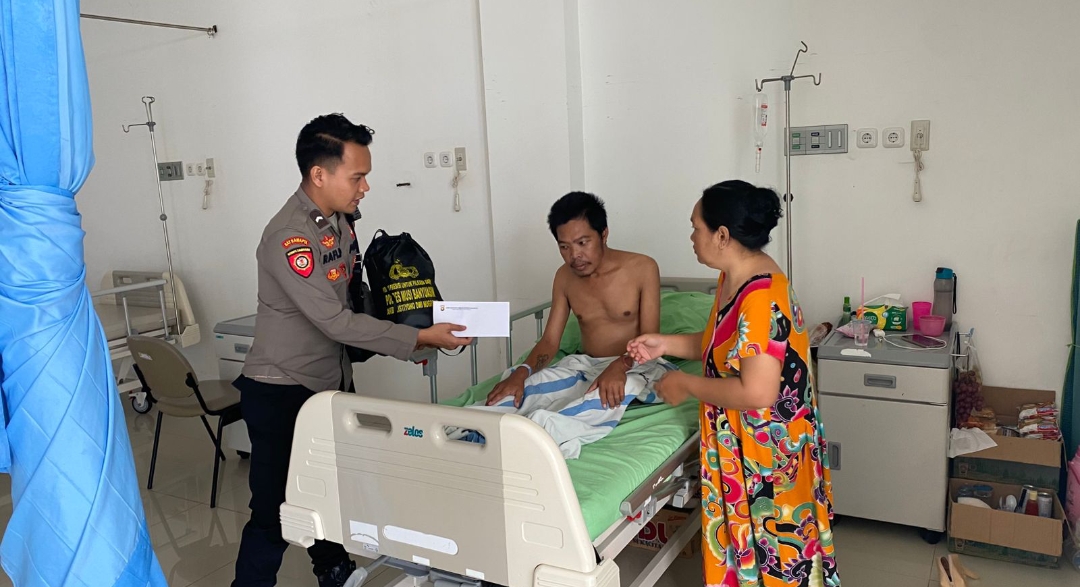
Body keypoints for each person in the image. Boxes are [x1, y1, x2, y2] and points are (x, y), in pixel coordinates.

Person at [231, 114, 471, 587]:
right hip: (281, 389)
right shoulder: (289, 237)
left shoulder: (338, 222)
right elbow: (334, 321)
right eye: (357, 177)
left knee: (328, 489)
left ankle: (334, 570)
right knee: (275, 510)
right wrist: (418, 338)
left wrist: (415, 313)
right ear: (319, 174)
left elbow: (351, 297)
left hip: (327, 381)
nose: (365, 187)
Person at [627, 180, 839, 586]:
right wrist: (664, 344)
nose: (692, 237)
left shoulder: (760, 297)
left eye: (696, 228)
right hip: (740, 442)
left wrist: (685, 385)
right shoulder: (735, 279)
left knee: (778, 559)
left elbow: (757, 392)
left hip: (769, 454)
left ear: (722, 235)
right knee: (747, 557)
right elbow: (720, 346)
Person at [486, 191, 661, 410]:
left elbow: (649, 341)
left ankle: (542, 429)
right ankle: (470, 424)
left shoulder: (643, 268)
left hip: (636, 364)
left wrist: (620, 366)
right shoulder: (564, 277)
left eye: (582, 243)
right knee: (514, 392)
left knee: (603, 397)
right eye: (564, 247)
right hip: (586, 366)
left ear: (604, 234)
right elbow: (550, 341)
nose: (574, 255)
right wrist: (522, 372)